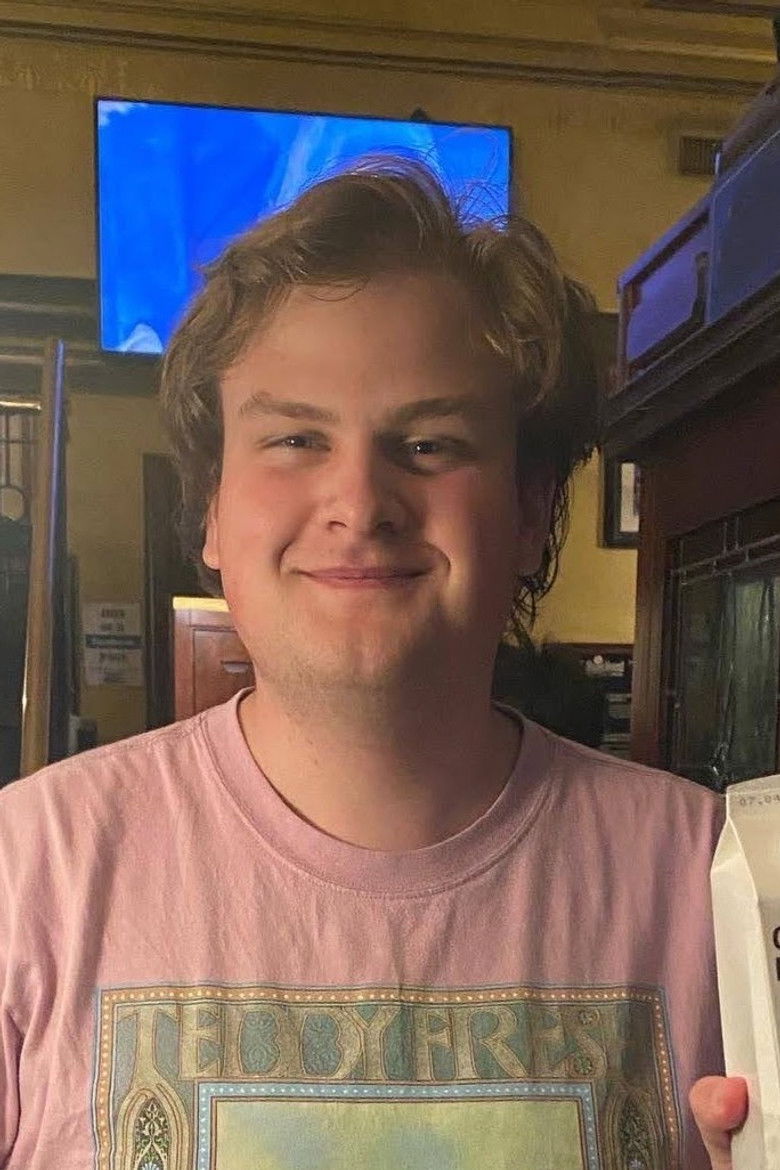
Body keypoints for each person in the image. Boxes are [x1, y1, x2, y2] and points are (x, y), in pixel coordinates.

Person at [0, 158, 745, 1169]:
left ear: (530, 511)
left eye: (430, 444)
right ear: (211, 510)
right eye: (295, 438)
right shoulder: (26, 875)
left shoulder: (714, 881)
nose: (359, 502)